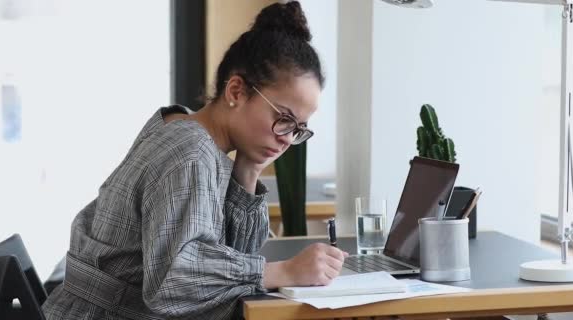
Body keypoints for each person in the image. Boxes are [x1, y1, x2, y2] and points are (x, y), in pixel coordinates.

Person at [41, 1, 348, 320]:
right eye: (283, 118)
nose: (287, 138)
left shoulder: (185, 125)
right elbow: (173, 284)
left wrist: (249, 167)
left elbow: (229, 257)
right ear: (236, 91)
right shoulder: (191, 149)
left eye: (298, 129)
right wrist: (283, 271)